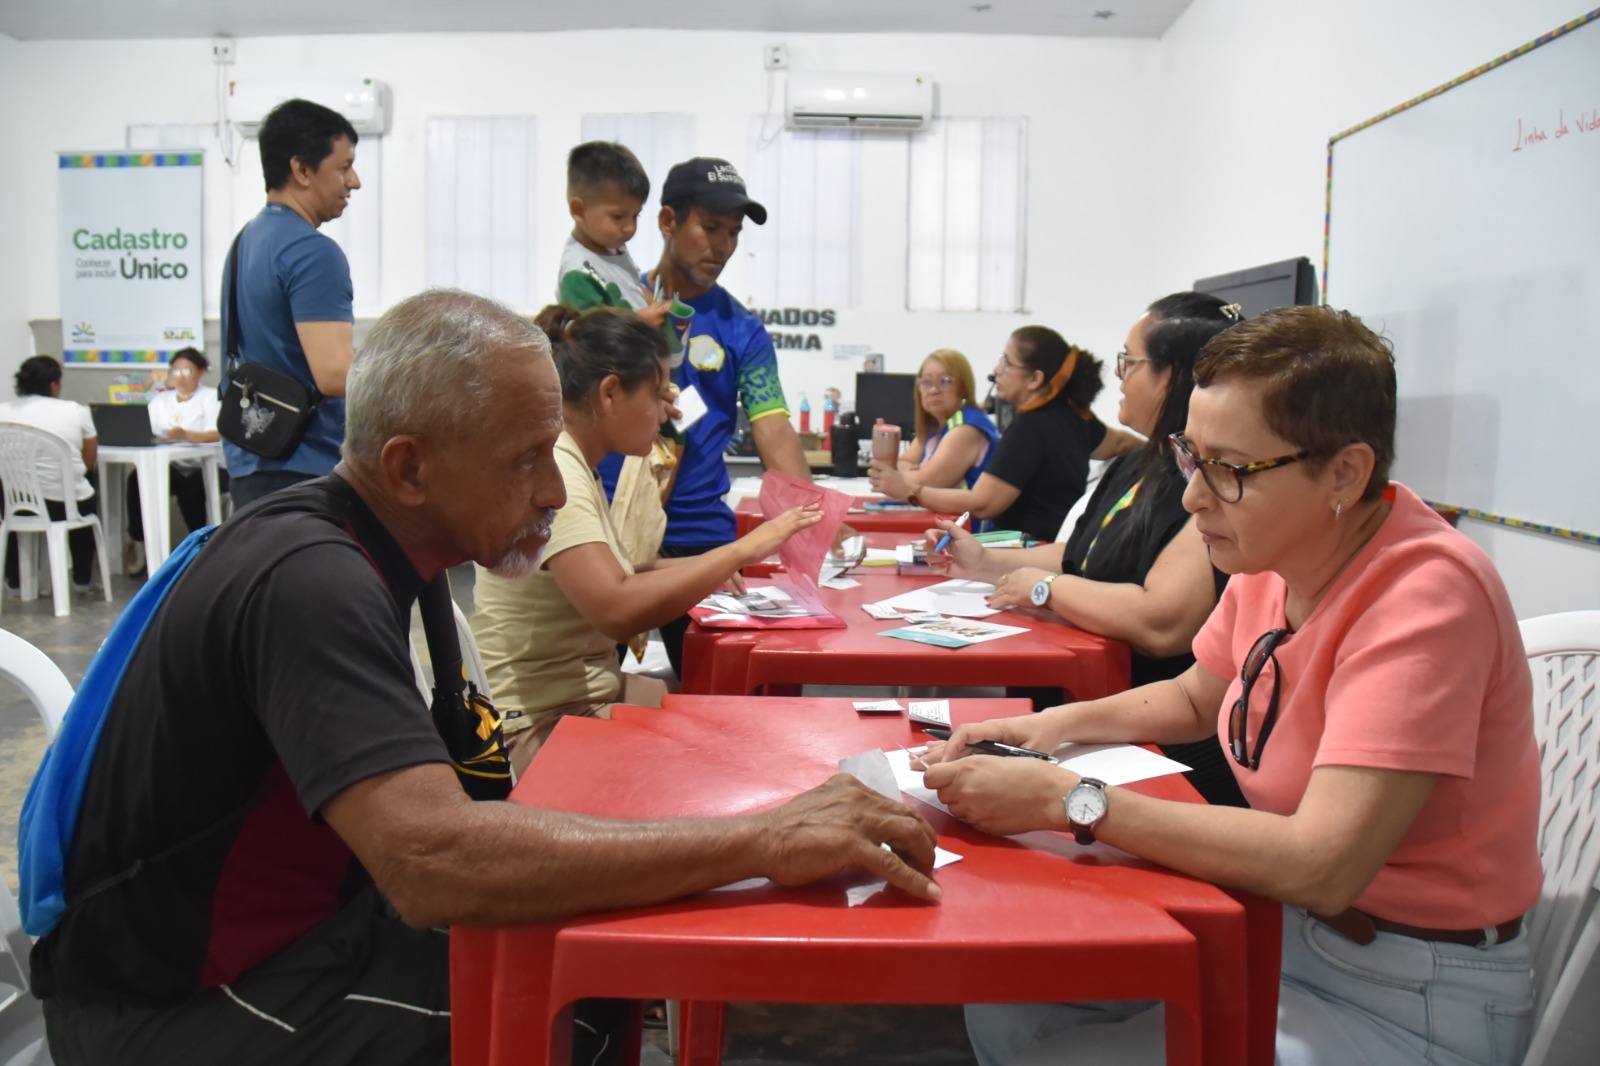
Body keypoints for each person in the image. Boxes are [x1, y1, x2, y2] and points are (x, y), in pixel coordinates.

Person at [31, 288, 940, 1066]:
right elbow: (432, 862)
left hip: (303, 923)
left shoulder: (368, 547)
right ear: (409, 468)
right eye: (526, 460)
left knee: (594, 954)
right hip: (176, 998)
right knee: (577, 1004)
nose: (552, 491)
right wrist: (759, 839)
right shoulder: (311, 577)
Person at [920, 306, 1540, 1066]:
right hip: (1284, 929)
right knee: (1010, 995)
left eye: (1230, 470)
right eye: (1192, 457)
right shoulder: (1280, 551)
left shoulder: (1427, 597)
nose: (1192, 498)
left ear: (1344, 471)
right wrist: (1046, 731)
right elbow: (1193, 698)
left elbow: (1323, 863)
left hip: (1406, 992)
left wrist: (1067, 801)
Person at [929, 294, 1247, 807]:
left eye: (1130, 361)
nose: (1118, 375)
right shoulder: (1136, 464)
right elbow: (1079, 555)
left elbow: (1161, 620)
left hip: (1151, 736)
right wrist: (984, 563)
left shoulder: (1200, 482)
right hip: (1092, 713)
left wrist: (1048, 588)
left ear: (1174, 375)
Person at [472, 304, 821, 768]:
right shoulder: (561, 471)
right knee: (732, 757)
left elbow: (620, 573)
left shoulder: (576, 461)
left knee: (734, 727)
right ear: (611, 393)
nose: (667, 412)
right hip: (535, 724)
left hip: (577, 699)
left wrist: (709, 566)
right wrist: (741, 549)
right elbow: (616, 607)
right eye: (658, 395)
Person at [600, 156, 839, 676]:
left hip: (699, 540)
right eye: (710, 228)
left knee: (718, 698)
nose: (723, 246)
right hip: (609, 529)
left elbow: (771, 424)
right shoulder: (617, 308)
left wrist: (815, 518)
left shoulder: (742, 329)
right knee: (586, 690)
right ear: (668, 222)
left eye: (732, 233)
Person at [870, 326, 1136, 543]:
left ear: (1034, 379)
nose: (997, 370)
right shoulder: (1076, 416)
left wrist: (910, 491)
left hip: (1025, 551)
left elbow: (984, 503)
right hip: (1052, 544)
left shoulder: (1030, 426)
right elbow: (1121, 442)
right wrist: (1162, 449)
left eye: (1007, 363)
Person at [221, 98, 361, 509]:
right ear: (301, 170)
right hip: (304, 468)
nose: (354, 181)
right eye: (343, 167)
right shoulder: (312, 252)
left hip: (250, 461)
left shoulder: (245, 241)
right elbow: (335, 374)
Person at [555, 140, 679, 571]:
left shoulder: (613, 252)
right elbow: (596, 336)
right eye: (618, 218)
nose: (628, 229)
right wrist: (643, 320)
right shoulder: (579, 270)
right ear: (578, 209)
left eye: (635, 218)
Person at [1, 355, 99, 593]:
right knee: (87, 486)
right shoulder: (75, 411)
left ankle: (15, 582)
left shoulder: (3, 411)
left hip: (17, 504)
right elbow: (89, 459)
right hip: (63, 504)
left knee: (10, 496)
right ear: (54, 384)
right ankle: (82, 580)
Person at [124, 347, 225, 573]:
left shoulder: (210, 397)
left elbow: (215, 433)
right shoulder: (162, 400)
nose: (180, 377)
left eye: (187, 371)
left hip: (207, 466)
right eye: (176, 371)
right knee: (137, 481)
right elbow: (146, 429)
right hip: (172, 465)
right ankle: (140, 544)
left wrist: (185, 435)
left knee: (191, 489)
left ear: (199, 372)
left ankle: (198, 550)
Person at [896, 349, 1000, 491]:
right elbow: (903, 461)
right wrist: (908, 472)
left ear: (963, 387)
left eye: (944, 381)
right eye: (926, 382)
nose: (933, 390)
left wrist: (901, 476)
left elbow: (927, 483)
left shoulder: (967, 428)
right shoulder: (935, 426)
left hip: (971, 513)